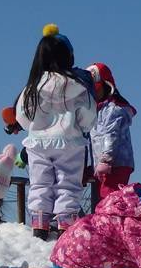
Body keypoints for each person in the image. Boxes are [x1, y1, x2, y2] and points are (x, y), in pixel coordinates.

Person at [16, 24, 96, 239]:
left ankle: (40, 223)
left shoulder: (32, 88)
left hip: (38, 143)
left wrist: (36, 129)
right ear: (68, 56)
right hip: (70, 142)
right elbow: (88, 118)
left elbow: (22, 117)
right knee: (68, 182)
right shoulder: (77, 86)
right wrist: (79, 128)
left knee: (40, 182)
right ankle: (65, 224)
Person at [86, 62, 137, 199]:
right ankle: (107, 219)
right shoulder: (97, 110)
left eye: (96, 88)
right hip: (103, 164)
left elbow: (110, 134)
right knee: (103, 197)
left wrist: (106, 159)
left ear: (106, 85)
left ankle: (111, 220)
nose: (93, 93)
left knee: (109, 197)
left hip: (116, 164)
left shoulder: (113, 109)